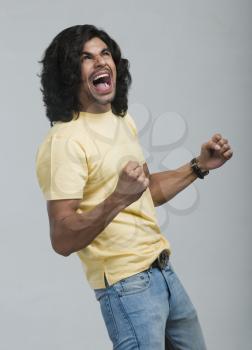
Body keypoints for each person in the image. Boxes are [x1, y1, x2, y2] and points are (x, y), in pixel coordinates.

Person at [35, 24, 233, 350]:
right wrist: (117, 198)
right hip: (126, 286)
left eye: (105, 53)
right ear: (69, 74)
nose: (100, 62)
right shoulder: (63, 142)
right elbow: (62, 237)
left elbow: (144, 191)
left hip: (162, 270)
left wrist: (198, 166)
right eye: (86, 58)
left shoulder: (120, 119)